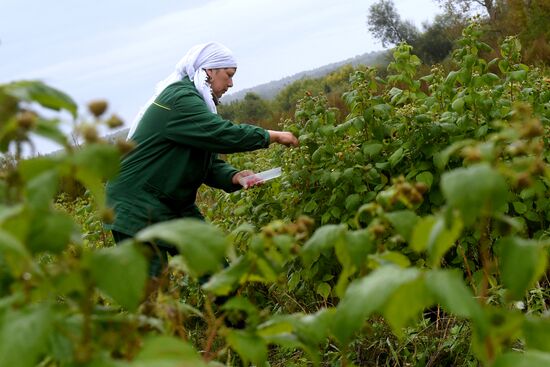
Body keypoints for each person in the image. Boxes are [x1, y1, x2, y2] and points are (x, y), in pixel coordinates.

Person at [104, 42, 298, 277]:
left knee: (216, 272)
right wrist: (272, 135)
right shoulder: (179, 98)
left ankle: (234, 314)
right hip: (134, 205)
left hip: (172, 205)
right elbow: (220, 134)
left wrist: (234, 176)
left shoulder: (197, 102)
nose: (231, 83)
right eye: (228, 75)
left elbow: (206, 160)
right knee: (151, 291)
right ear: (209, 71)